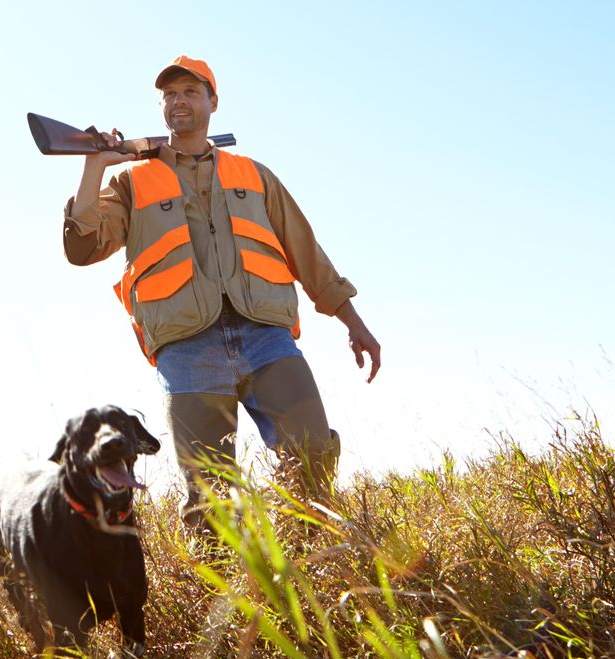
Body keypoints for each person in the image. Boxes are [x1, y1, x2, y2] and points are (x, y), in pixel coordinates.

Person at [61, 55, 381, 529]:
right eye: (169, 94)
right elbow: (82, 247)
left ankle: (310, 560)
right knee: (208, 493)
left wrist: (353, 321)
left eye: (190, 91)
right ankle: (222, 594)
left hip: (265, 335)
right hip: (187, 345)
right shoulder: (130, 180)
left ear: (213, 101)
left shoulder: (253, 174)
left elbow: (305, 250)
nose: (178, 101)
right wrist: (94, 167)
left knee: (312, 450)